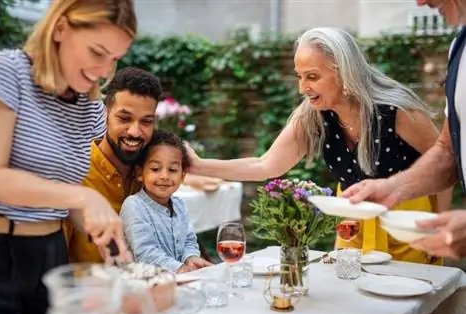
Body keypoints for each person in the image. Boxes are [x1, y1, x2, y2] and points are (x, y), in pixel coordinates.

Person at [186, 27, 452, 267]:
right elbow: (265, 165)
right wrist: (197, 165)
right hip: (352, 227)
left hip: (407, 225)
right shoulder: (313, 115)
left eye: (312, 76)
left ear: (345, 72)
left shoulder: (399, 112)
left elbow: (443, 164)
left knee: (411, 311)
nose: (303, 88)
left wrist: (438, 226)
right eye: (300, 77)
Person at [0, 1, 136, 314]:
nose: (104, 71)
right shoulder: (6, 71)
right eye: (97, 52)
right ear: (60, 28)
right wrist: (86, 199)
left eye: (114, 59)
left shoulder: (88, 107)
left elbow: (61, 198)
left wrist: (98, 227)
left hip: (50, 255)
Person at [343, 0, 466, 261]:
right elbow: (446, 152)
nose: (420, 2)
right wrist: (393, 188)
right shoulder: (460, 48)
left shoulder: (397, 112)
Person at [65, 66, 162, 263]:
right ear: (106, 114)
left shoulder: (149, 171)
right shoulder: (76, 170)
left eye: (146, 121)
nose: (135, 132)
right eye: (124, 118)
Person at [120, 130, 212, 273]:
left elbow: (189, 240)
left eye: (173, 170)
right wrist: (179, 268)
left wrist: (191, 258)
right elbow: (145, 252)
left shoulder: (180, 205)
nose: (164, 176)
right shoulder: (134, 206)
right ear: (139, 173)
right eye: (155, 169)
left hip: (177, 283)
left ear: (182, 176)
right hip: (143, 287)